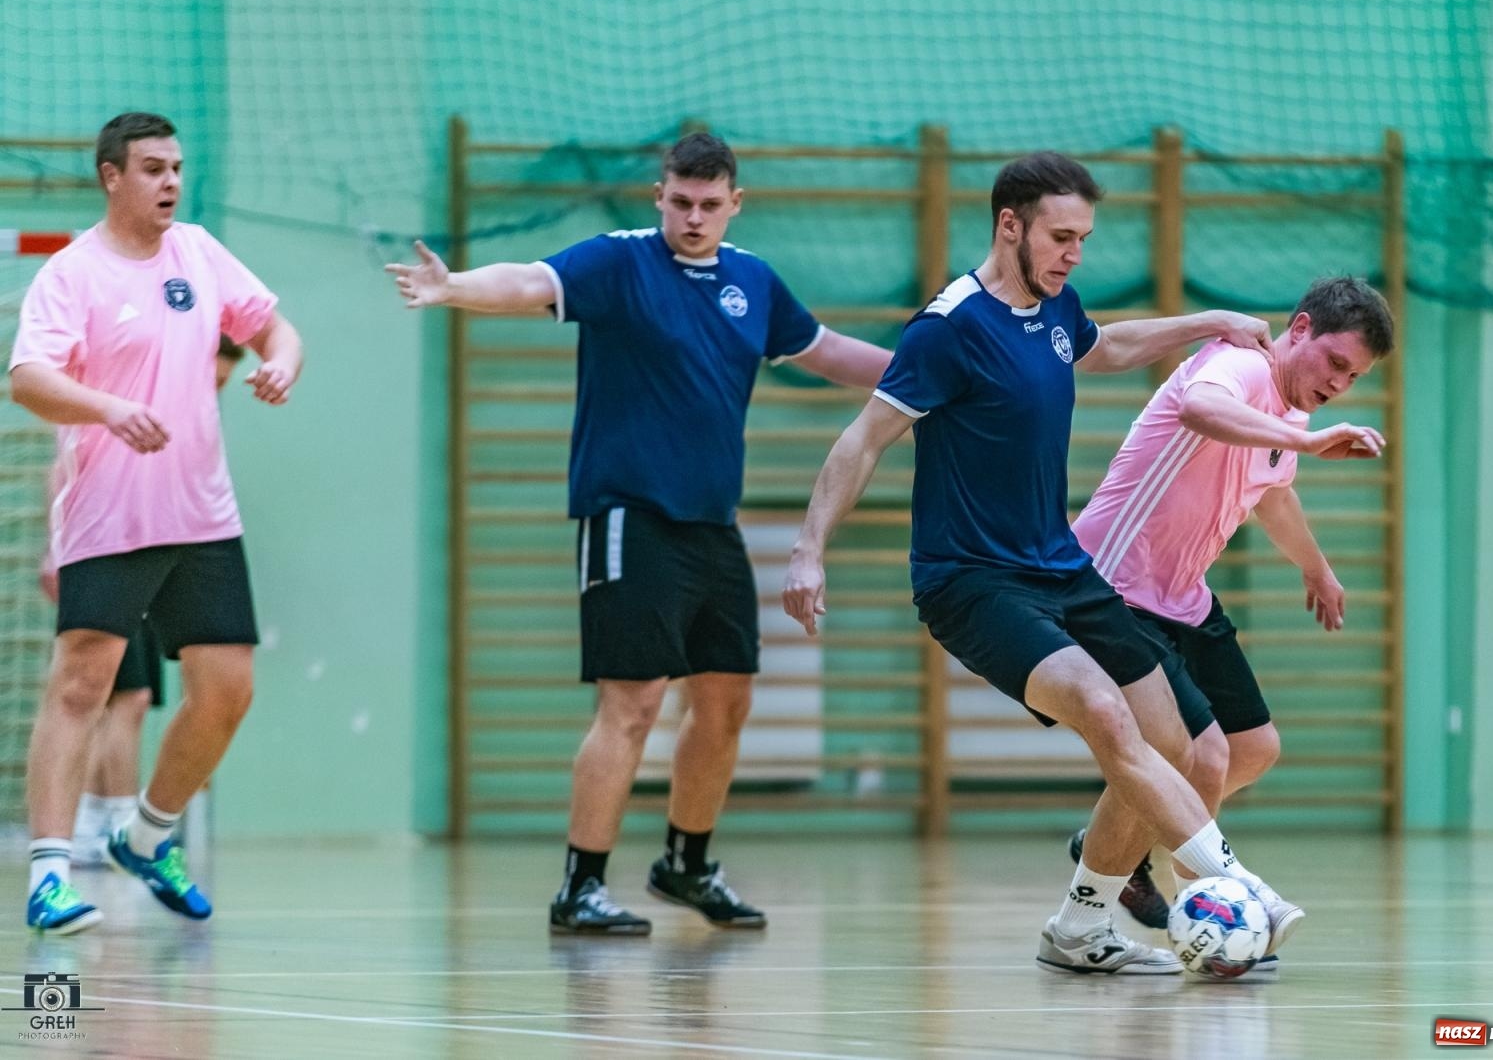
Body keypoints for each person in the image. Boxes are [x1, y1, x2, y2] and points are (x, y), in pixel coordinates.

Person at [783, 152, 1303, 974]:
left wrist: (1208, 322)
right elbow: (862, 439)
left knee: (1170, 742)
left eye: (1085, 239)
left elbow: (1106, 346)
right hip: (971, 581)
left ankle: (1077, 929)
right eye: (1062, 236)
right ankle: (1239, 886)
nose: (1074, 253)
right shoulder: (949, 328)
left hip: (1060, 566)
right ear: (1009, 225)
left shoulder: (1055, 306)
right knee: (1105, 711)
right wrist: (809, 550)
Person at [387, 133, 892, 935]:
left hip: (710, 522)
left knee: (726, 699)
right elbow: (527, 282)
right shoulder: (619, 262)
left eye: (709, 204)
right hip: (627, 512)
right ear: (660, 196)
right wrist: (454, 289)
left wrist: (922, 373)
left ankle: (686, 864)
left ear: (735, 203)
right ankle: (580, 884)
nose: (693, 216)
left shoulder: (752, 281)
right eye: (679, 201)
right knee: (634, 701)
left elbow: (824, 350)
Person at [9, 112, 303, 933]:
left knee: (228, 689)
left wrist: (279, 360)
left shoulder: (200, 251)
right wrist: (107, 408)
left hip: (203, 515)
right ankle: (49, 875)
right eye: (151, 168)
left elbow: (274, 324)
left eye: (176, 167)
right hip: (108, 514)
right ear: (112, 176)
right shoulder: (72, 274)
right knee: (83, 685)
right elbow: (28, 378)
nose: (170, 181)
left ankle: (148, 834)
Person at [1066, 275, 1393, 938]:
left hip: (1182, 593)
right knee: (1203, 753)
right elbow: (1199, 411)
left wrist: (1316, 564)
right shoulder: (1239, 364)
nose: (1338, 383)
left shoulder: (1291, 412)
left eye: (1353, 378)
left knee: (1253, 746)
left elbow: (1272, 493)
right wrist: (1304, 438)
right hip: (1114, 584)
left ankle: (1116, 853)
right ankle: (1211, 915)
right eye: (1335, 362)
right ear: (1299, 329)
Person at [51, 337, 249, 866]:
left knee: (127, 700)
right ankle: (114, 824)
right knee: (120, 699)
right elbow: (67, 462)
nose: (214, 389)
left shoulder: (188, 418)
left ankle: (102, 822)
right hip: (116, 546)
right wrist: (56, 554)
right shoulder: (132, 399)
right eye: (215, 377)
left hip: (168, 555)